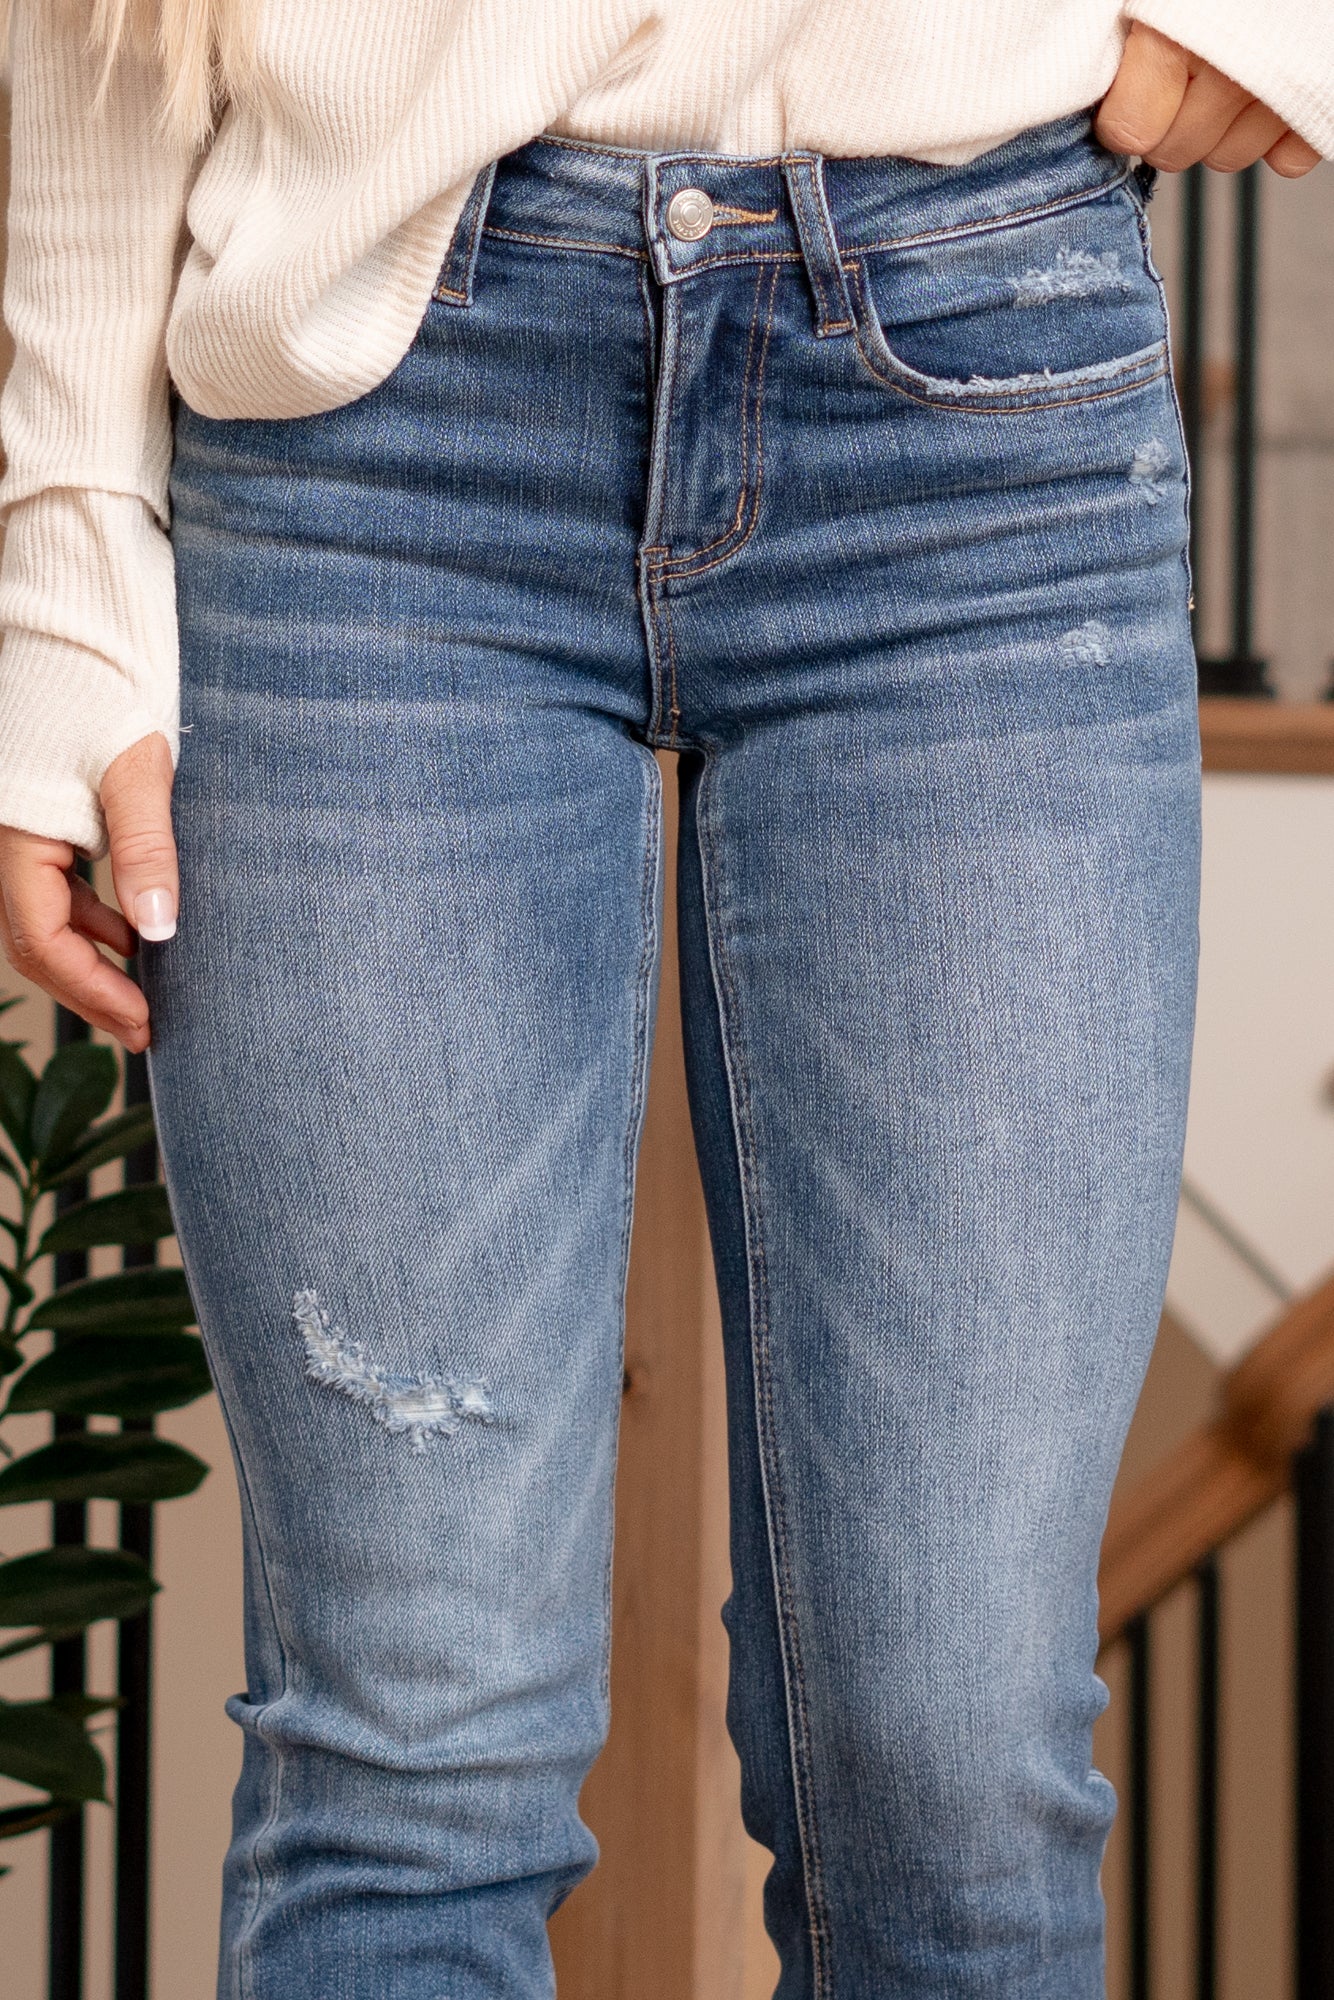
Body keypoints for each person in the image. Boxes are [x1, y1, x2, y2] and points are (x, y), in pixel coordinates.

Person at [0, 3, 1327, 1993]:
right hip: (369, 412)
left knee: (949, 1768)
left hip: (975, 390)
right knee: (411, 1759)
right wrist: (67, 574)